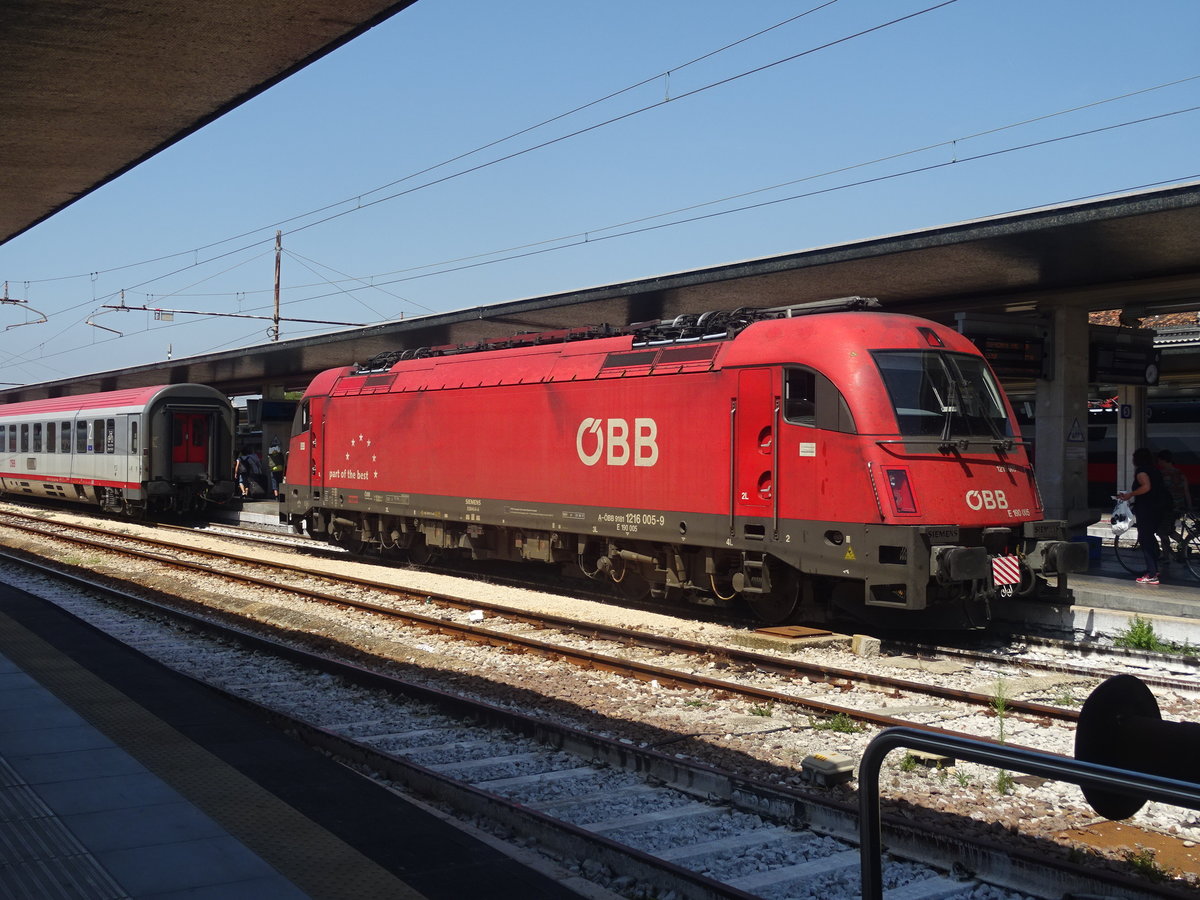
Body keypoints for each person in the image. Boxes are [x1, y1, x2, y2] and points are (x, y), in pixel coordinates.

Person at [1117, 447, 1171, 584]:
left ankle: (1152, 574)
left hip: (1148, 509)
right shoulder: (1155, 470)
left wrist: (1131, 494)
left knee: (1145, 539)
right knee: (1149, 537)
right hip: (1159, 508)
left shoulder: (1141, 471)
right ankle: (1154, 568)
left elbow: (1146, 487)